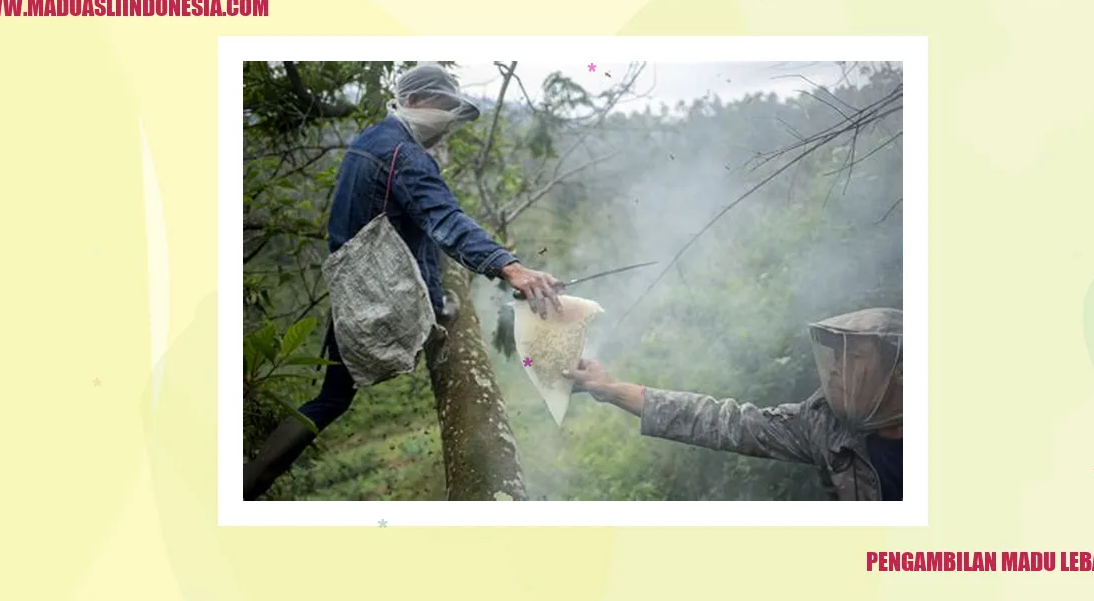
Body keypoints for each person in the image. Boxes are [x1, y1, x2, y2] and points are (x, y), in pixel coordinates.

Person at [244, 63, 563, 500]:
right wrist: (510, 267)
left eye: (454, 109)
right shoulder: (404, 155)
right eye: (442, 106)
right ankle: (248, 483)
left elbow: (412, 230)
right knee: (335, 398)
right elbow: (443, 220)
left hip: (351, 294)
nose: (448, 119)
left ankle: (248, 480)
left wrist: (436, 295)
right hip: (377, 298)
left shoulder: (370, 140)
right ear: (411, 101)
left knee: (331, 399)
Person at [564, 307, 903, 501]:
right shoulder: (822, 425)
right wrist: (611, 389)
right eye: (834, 356)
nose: (834, 368)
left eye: (854, 357)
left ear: (898, 370)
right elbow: (724, 422)